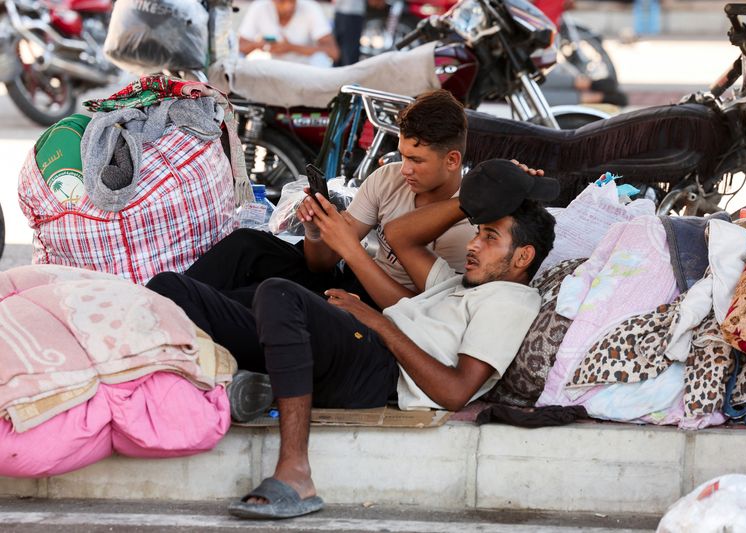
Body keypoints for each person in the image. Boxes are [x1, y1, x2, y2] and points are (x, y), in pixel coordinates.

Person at [225, 159, 558, 520]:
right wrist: (475, 198)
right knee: (178, 289)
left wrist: (376, 322)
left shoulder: (510, 300)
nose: (473, 245)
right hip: (362, 343)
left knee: (280, 294)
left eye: (489, 237)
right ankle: (258, 382)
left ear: (524, 256)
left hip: (377, 368)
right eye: (477, 231)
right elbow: (398, 235)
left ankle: (295, 475)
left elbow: (455, 392)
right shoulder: (460, 283)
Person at [146, 89, 474, 383]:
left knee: (257, 298)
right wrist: (317, 231)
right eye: (402, 155)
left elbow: (419, 313)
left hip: (382, 316)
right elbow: (321, 265)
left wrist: (351, 250)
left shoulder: (465, 227)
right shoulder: (389, 178)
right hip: (350, 282)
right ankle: (172, 315)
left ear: (452, 160)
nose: (405, 169)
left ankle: (178, 325)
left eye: (416, 160)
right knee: (248, 244)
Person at [238, 0, 340, 67]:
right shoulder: (259, 7)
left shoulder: (311, 7)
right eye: (282, 2)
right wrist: (258, 45)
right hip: (271, 68)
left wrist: (291, 47)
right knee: (237, 58)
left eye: (292, 1)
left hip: (306, 71)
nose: (288, 7)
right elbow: (237, 48)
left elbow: (333, 52)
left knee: (321, 59)